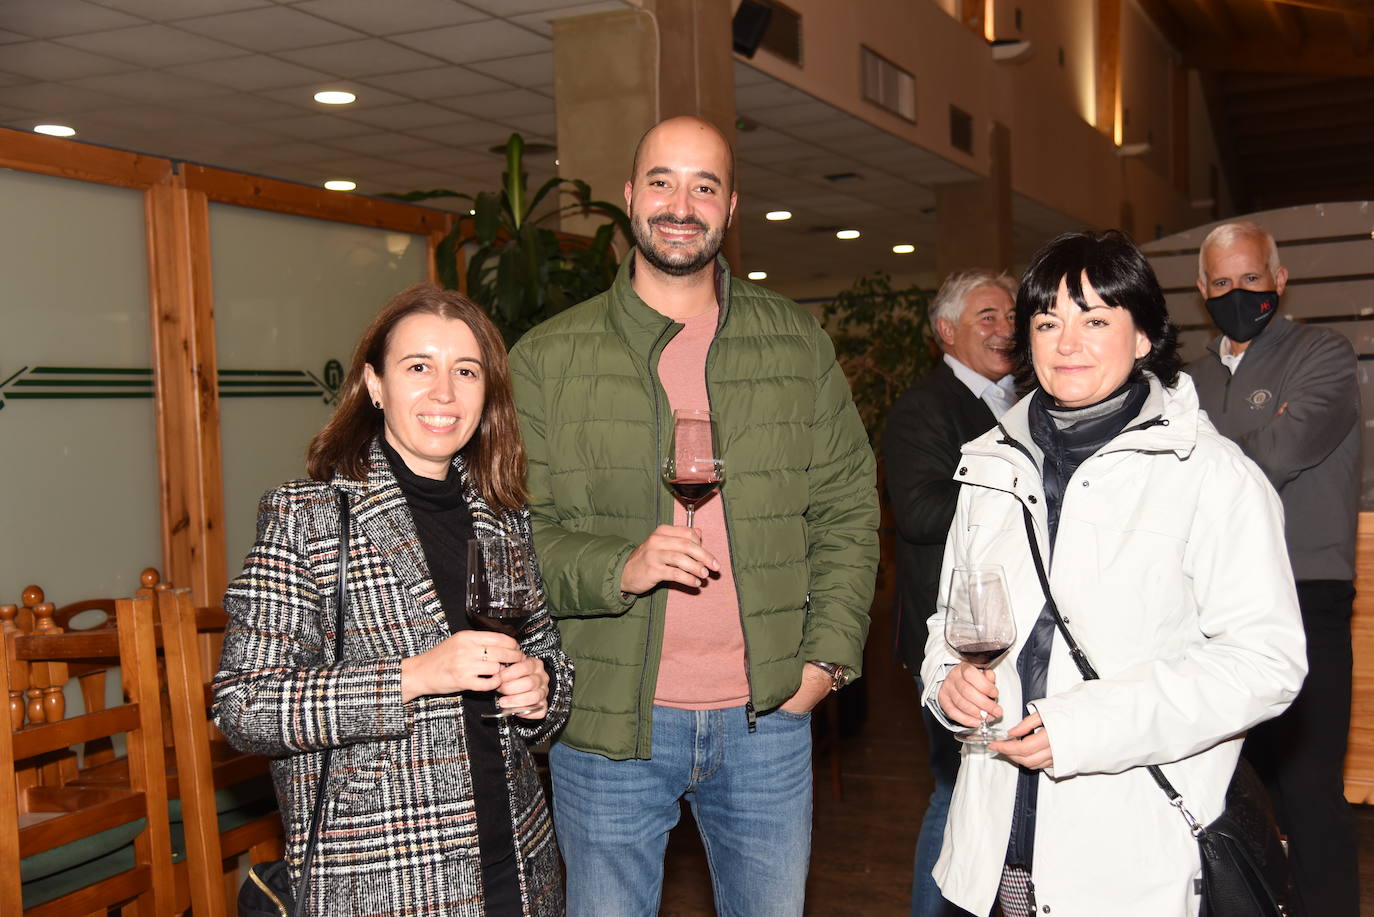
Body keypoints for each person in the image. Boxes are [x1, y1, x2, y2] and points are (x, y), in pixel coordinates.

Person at [509, 115, 879, 917]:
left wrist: (825, 663)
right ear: (631, 196)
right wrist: (621, 566)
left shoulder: (794, 343)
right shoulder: (546, 357)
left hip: (768, 718)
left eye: (704, 186)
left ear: (732, 206)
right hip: (610, 724)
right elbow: (515, 536)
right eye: (664, 182)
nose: (683, 203)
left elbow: (849, 506)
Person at [922, 230, 1307, 916]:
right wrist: (943, 681)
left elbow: (1266, 662)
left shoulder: (1211, 476)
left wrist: (1089, 725)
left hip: (1129, 850)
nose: (1068, 342)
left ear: (1141, 337)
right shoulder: (988, 466)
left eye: (1095, 319)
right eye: (1048, 321)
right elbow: (950, 620)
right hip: (996, 840)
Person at [214, 284, 573, 917]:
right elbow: (243, 706)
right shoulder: (309, 518)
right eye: (418, 368)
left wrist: (541, 686)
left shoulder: (501, 514)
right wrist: (413, 676)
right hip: (381, 879)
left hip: (519, 867)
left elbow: (546, 658)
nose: (444, 391)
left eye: (466, 371)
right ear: (374, 386)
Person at [1186, 219, 1361, 916]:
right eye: (1222, 283)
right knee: (1224, 788)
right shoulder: (1185, 377)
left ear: (1279, 279)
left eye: (1251, 278)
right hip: (1208, 606)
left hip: (1304, 593)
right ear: (1202, 290)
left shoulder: (1324, 353)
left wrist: (1196, 448)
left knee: (1309, 789)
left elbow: (1282, 450)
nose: (1238, 293)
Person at [883, 269, 1016, 917]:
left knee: (997, 790)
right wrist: (1016, 497)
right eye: (988, 316)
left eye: (1012, 316)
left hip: (1012, 634)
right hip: (950, 638)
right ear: (946, 332)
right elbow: (916, 509)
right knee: (954, 790)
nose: (1006, 329)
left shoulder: (1029, 402)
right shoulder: (923, 407)